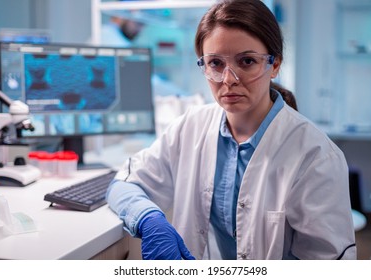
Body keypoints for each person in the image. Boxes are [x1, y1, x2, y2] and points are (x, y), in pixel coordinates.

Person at [106, 0, 356, 260]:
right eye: (215, 63)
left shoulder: (316, 155)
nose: (228, 79)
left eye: (246, 61)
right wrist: (148, 219)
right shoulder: (189, 128)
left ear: (275, 65)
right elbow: (123, 184)